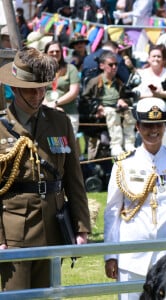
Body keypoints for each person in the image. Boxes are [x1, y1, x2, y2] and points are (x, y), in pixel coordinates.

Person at [0, 47, 91, 290]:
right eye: (32, 90)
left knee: (49, 295)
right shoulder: (1, 127)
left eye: (43, 88)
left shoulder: (59, 122)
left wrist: (81, 227)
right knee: (17, 297)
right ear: (16, 88)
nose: (39, 95)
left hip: (54, 226)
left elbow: (74, 178)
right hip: (14, 232)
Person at [104, 97, 166, 300]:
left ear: (165, 126)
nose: (153, 131)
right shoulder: (124, 164)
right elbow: (112, 212)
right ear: (138, 127)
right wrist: (111, 254)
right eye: (148, 125)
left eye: (158, 125)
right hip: (131, 255)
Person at [81, 50, 136, 157]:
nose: (114, 67)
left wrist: (123, 101)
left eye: (116, 64)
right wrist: (97, 107)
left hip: (118, 108)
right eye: (111, 65)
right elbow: (85, 98)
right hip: (103, 111)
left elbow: (127, 96)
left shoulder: (119, 82)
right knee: (112, 113)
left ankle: (129, 143)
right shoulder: (95, 81)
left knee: (130, 112)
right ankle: (116, 145)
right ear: (102, 66)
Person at [43, 41, 81, 137]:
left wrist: (55, 103)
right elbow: (39, 91)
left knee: (67, 145)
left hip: (69, 113)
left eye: (57, 51)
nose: (55, 53)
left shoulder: (71, 69)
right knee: (51, 145)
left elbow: (74, 92)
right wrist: (48, 105)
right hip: (46, 113)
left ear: (61, 53)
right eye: (52, 51)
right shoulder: (41, 70)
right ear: (46, 53)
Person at [134, 44, 166, 110]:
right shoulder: (140, 74)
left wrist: (161, 94)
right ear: (148, 59)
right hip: (144, 111)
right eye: (154, 56)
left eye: (159, 56)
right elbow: (133, 95)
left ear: (163, 59)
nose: (156, 58)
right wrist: (153, 95)